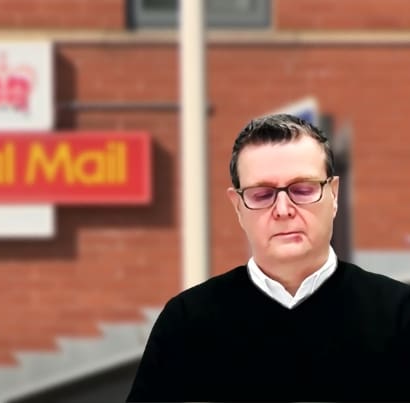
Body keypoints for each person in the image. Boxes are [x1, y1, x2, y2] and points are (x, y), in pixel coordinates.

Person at [127, 113, 410, 402]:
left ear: (334, 194)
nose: (284, 209)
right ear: (238, 207)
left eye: (302, 189)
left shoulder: (401, 314)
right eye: (262, 194)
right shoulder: (186, 323)